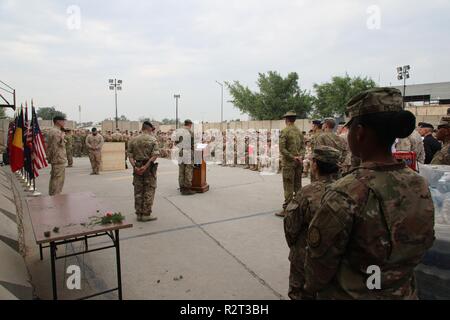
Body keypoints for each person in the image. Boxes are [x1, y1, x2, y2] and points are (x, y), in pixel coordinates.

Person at [304, 87, 435, 299]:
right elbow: (425, 242)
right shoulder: (419, 183)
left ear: (360, 132)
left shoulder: (346, 192)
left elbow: (318, 267)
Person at [284, 145, 341, 300]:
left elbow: (291, 227)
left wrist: (296, 249)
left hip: (307, 257)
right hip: (339, 258)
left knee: (300, 294)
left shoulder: (307, 193)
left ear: (315, 165)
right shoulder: (349, 190)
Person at [127, 121, 160, 222]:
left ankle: (138, 214)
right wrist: (145, 166)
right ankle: (146, 214)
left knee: (138, 190)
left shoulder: (133, 140)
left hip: (137, 166)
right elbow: (155, 155)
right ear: (149, 128)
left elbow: (130, 156)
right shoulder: (153, 140)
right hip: (148, 168)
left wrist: (135, 167)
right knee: (149, 189)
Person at [276, 111, 305, 218]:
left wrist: (293, 157)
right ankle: (299, 208)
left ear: (286, 120)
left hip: (289, 163)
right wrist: (300, 156)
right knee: (298, 186)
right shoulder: (299, 131)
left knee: (288, 186)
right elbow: (303, 147)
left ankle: (287, 209)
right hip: (299, 163)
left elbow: (282, 148)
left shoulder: (285, 131)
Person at [46, 116, 67, 196]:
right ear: (58, 121)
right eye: (63, 121)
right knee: (58, 179)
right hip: (58, 158)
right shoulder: (56, 132)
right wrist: (62, 137)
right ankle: (55, 195)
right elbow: (58, 144)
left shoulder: (53, 130)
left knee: (55, 177)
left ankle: (53, 195)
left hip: (56, 157)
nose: (64, 122)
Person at [174, 120, 196, 195]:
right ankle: (187, 189)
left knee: (181, 170)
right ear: (190, 124)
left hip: (181, 152)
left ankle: (182, 187)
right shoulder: (190, 132)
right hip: (188, 152)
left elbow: (175, 143)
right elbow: (193, 143)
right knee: (188, 170)